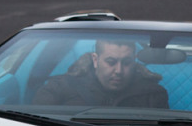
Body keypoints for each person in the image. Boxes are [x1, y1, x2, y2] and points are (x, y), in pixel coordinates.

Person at [32, 39, 169, 108]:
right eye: (111, 62)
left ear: (134, 60)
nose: (119, 71)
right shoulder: (59, 88)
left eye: (126, 62)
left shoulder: (152, 95)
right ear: (95, 60)